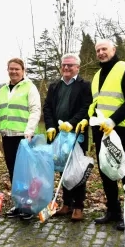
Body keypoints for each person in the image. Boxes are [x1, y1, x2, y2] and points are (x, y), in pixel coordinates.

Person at [90, 39, 125, 231]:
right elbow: (95, 104)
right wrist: (90, 120)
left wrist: (113, 120)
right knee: (106, 171)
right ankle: (113, 211)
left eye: (104, 49)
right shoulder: (96, 75)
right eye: (98, 50)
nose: (101, 52)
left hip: (121, 129)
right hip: (101, 131)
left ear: (114, 50)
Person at [43, 53, 92, 221]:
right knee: (63, 169)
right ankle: (67, 204)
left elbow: (87, 107)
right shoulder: (54, 85)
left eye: (70, 65)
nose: (66, 68)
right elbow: (47, 107)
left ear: (77, 67)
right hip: (59, 135)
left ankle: (78, 206)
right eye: (64, 65)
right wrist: (50, 126)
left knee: (77, 170)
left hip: (77, 133)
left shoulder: (85, 86)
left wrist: (72, 122)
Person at [0, 58, 41, 220]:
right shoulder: (4, 89)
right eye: (11, 69)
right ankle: (19, 204)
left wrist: (29, 130)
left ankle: (29, 206)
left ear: (23, 70)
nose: (13, 71)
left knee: (26, 173)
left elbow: (35, 110)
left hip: (24, 137)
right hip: (7, 137)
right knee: (14, 172)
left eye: (17, 69)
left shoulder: (29, 87)